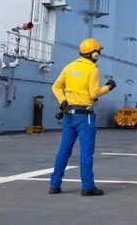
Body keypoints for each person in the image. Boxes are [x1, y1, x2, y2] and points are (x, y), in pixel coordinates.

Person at [48, 37, 116, 197]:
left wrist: (63, 101)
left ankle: (55, 185)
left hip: (68, 114)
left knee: (63, 151)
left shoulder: (70, 66)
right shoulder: (93, 69)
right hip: (84, 116)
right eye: (98, 51)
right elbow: (93, 93)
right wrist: (108, 87)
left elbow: (56, 86)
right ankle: (87, 187)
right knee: (86, 152)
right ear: (95, 54)